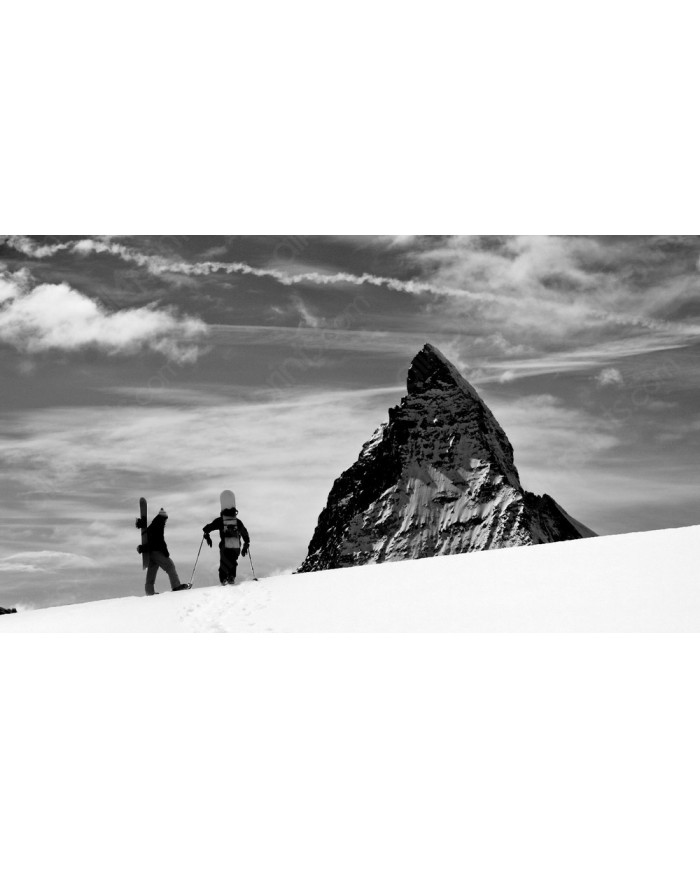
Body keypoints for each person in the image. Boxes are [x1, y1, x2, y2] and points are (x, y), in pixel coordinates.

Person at [142, 508, 191, 595]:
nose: (165, 521)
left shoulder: (152, 525)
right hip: (157, 552)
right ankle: (176, 586)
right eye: (165, 519)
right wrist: (165, 552)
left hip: (151, 553)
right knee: (170, 566)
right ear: (162, 518)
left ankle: (149, 591)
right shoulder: (159, 526)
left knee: (152, 571)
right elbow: (160, 541)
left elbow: (150, 538)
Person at [202, 506, 250, 585]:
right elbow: (245, 534)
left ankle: (223, 579)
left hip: (225, 546)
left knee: (224, 562)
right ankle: (231, 577)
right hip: (236, 546)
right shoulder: (238, 521)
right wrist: (246, 545)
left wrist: (207, 537)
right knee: (233, 561)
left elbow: (206, 529)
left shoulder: (220, 520)